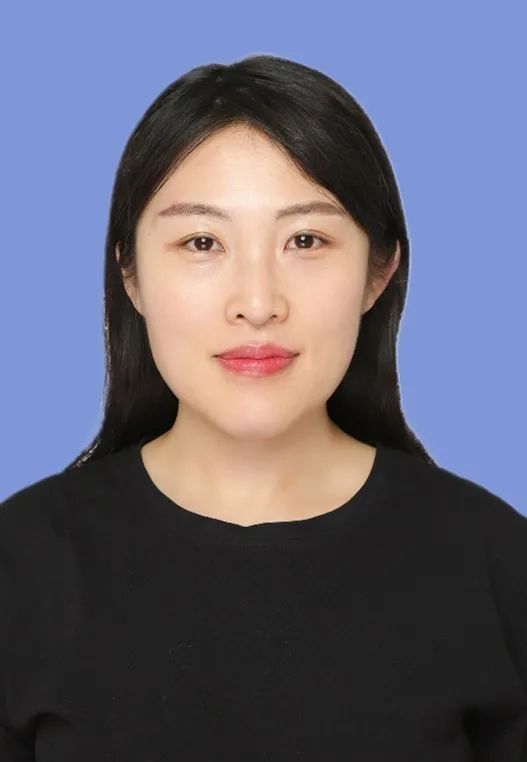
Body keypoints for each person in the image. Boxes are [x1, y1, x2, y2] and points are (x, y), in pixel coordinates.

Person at [1, 54, 526, 761]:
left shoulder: (495, 564)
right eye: (202, 242)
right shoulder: (22, 567)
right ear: (130, 273)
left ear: (379, 272)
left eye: (305, 241)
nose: (256, 302)